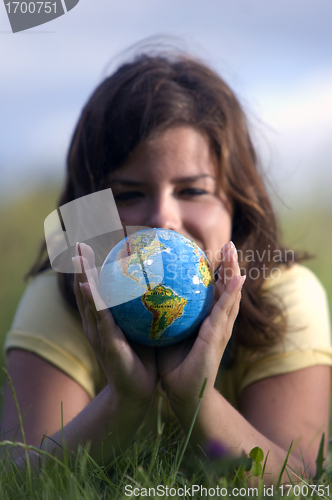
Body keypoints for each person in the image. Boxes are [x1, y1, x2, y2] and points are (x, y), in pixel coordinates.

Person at [2, 51, 331, 483]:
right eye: (127, 193)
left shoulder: (283, 297)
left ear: (237, 204)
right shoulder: (61, 298)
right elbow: (18, 479)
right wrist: (125, 403)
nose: (162, 219)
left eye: (193, 190)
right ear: (88, 215)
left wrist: (198, 403)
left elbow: (301, 485)